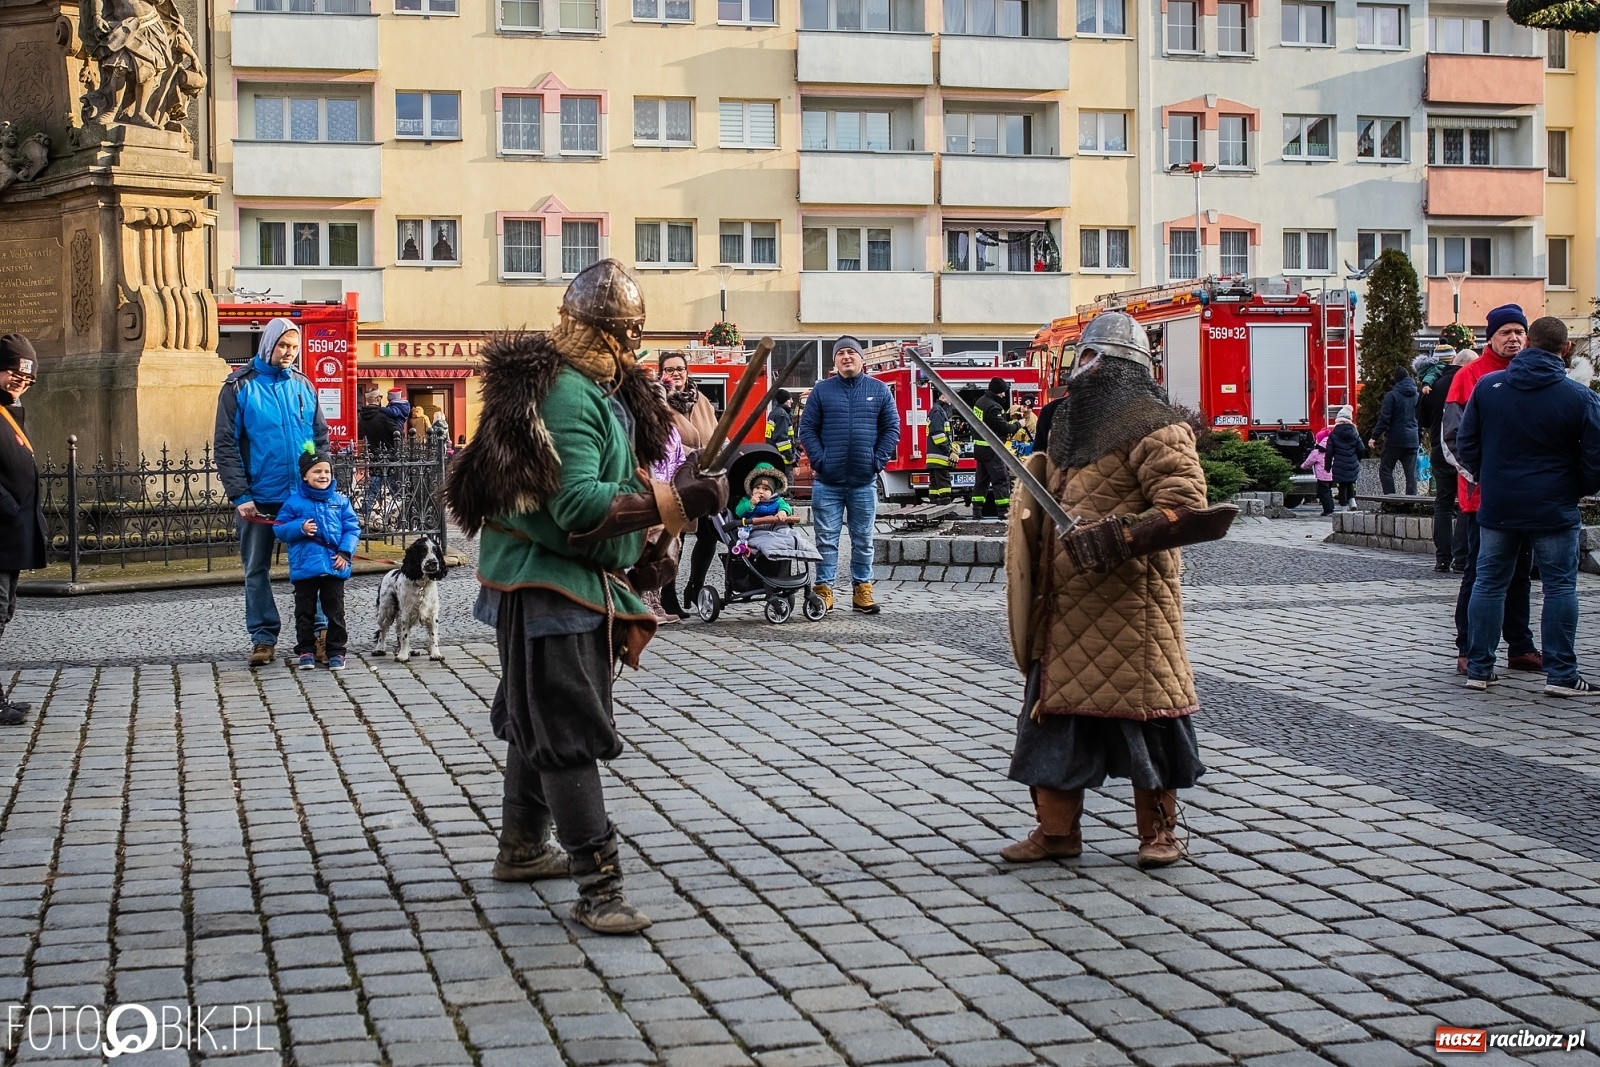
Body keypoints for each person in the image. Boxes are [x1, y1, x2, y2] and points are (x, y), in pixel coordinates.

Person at [443, 259, 727, 934]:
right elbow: (576, 510)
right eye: (626, 334)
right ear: (604, 332)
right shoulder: (570, 394)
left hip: (555, 576)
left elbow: (606, 490)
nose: (631, 347)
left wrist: (656, 534)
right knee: (565, 725)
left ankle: (520, 847)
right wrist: (672, 499)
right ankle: (599, 884)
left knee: (532, 715)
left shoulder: (594, 389)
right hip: (548, 579)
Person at [1002, 311, 1225, 869]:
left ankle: (1160, 835)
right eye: (1082, 357)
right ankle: (1055, 833)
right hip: (1066, 600)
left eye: (1090, 357)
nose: (1082, 368)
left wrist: (1116, 536)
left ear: (1120, 365)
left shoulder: (1157, 426)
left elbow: (1187, 508)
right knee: (1054, 719)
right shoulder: (1066, 424)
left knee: (1145, 722)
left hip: (1131, 603)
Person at [1456, 317, 1600, 696]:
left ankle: (1480, 667)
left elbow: (1466, 442)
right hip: (1554, 506)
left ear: (1529, 342)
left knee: (1488, 583)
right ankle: (1562, 674)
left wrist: (1489, 477)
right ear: (1565, 348)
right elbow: (1595, 461)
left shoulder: (1488, 387)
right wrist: (1574, 488)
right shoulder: (1580, 397)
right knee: (1559, 588)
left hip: (1500, 503)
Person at [215, 317, 330, 668]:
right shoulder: (239, 387)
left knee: (315, 566)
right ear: (268, 345)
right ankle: (263, 638)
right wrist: (240, 495)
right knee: (256, 569)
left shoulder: (303, 387)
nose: (289, 353)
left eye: (294, 347)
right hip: (259, 497)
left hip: (303, 496)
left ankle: (319, 634)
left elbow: (318, 439)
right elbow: (225, 445)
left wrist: (320, 481)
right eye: (283, 346)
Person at [1441, 304, 1540, 677]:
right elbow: (1452, 440)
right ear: (1491, 338)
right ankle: (1468, 647)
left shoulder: (1531, 373)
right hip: (1482, 500)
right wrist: (1485, 478)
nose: (1513, 338)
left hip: (1524, 498)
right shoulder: (1469, 377)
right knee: (1480, 575)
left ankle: (1520, 646)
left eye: (1519, 331)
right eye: (1506, 332)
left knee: (1520, 574)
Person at [798, 336, 899, 615]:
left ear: (862, 359)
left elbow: (892, 428)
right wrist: (821, 460)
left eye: (851, 352)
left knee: (863, 539)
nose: (846, 357)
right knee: (826, 539)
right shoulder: (822, 391)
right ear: (834, 361)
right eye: (840, 353)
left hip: (863, 482)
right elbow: (807, 429)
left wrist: (875, 461)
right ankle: (824, 591)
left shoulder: (879, 391)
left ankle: (862, 591)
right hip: (827, 483)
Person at [273, 449, 360, 671]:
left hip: (334, 564)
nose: (323, 475)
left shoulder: (340, 502)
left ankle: (336, 651)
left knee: (336, 613)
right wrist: (300, 528)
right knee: (305, 613)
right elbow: (280, 529)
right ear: (305, 475)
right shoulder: (294, 503)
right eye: (317, 471)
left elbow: (351, 529)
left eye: (327, 471)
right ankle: (306, 651)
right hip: (305, 567)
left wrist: (345, 552)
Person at [0, 336, 45, 726]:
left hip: (10, 536)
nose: (20, 382)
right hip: (2, 529)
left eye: (27, 379)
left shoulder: (11, 410)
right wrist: (11, 508)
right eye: (14, 373)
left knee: (4, 611)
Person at [662, 352, 721, 616]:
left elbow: (717, 433)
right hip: (675, 481)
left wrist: (727, 451)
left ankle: (695, 587)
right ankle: (667, 594)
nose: (676, 373)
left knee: (709, 535)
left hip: (705, 480)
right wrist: (693, 454)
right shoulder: (658, 401)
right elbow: (660, 441)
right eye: (670, 369)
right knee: (676, 537)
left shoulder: (702, 401)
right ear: (661, 373)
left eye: (680, 369)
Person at [1417, 342, 1475, 572]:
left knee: (1442, 503)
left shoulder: (1432, 385)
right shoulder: (1470, 382)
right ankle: (1461, 559)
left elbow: (1420, 419)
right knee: (1465, 505)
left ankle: (1442, 558)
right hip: (1464, 453)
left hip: (1440, 451)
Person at [971, 377, 1018, 520]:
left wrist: (1009, 416)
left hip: (980, 450)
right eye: (1002, 392)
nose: (1004, 395)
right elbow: (1003, 428)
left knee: (981, 482)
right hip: (993, 450)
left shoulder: (981, 402)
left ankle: (976, 512)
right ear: (997, 392)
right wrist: (1018, 424)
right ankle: (1003, 513)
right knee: (1001, 480)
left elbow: (991, 421)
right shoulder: (993, 407)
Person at [1368, 366, 1420, 495]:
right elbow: (1421, 418)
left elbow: (1384, 419)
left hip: (1395, 439)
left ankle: (1390, 501)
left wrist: (1374, 436)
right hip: (1413, 439)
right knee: (1411, 474)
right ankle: (1411, 503)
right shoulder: (1418, 395)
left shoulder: (1392, 395)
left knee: (1385, 469)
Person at [1325, 405, 1365, 509]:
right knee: (1350, 482)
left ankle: (1343, 506)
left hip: (1339, 463)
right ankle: (1352, 503)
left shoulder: (1333, 434)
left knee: (1342, 485)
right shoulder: (1354, 433)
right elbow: (1361, 448)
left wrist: (1327, 466)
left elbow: (1329, 452)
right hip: (1352, 462)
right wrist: (1357, 459)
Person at [925, 393, 957, 503]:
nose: (951, 402)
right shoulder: (938, 411)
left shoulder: (937, 410)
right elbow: (938, 434)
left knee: (935, 487)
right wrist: (949, 452)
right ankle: (946, 511)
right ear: (943, 396)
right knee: (944, 485)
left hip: (935, 457)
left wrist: (953, 447)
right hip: (940, 457)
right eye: (950, 397)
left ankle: (936, 510)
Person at [1300, 428, 1335, 516]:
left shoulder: (1317, 452)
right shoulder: (1333, 449)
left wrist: (1302, 466)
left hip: (1322, 476)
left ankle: (1328, 510)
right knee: (1329, 492)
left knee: (1324, 493)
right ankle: (1331, 507)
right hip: (1332, 475)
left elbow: (1308, 462)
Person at [766, 389, 797, 477]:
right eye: (789, 399)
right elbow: (782, 440)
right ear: (784, 400)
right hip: (784, 461)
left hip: (775, 457)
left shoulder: (773, 413)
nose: (792, 401)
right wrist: (790, 457)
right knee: (786, 488)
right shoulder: (782, 415)